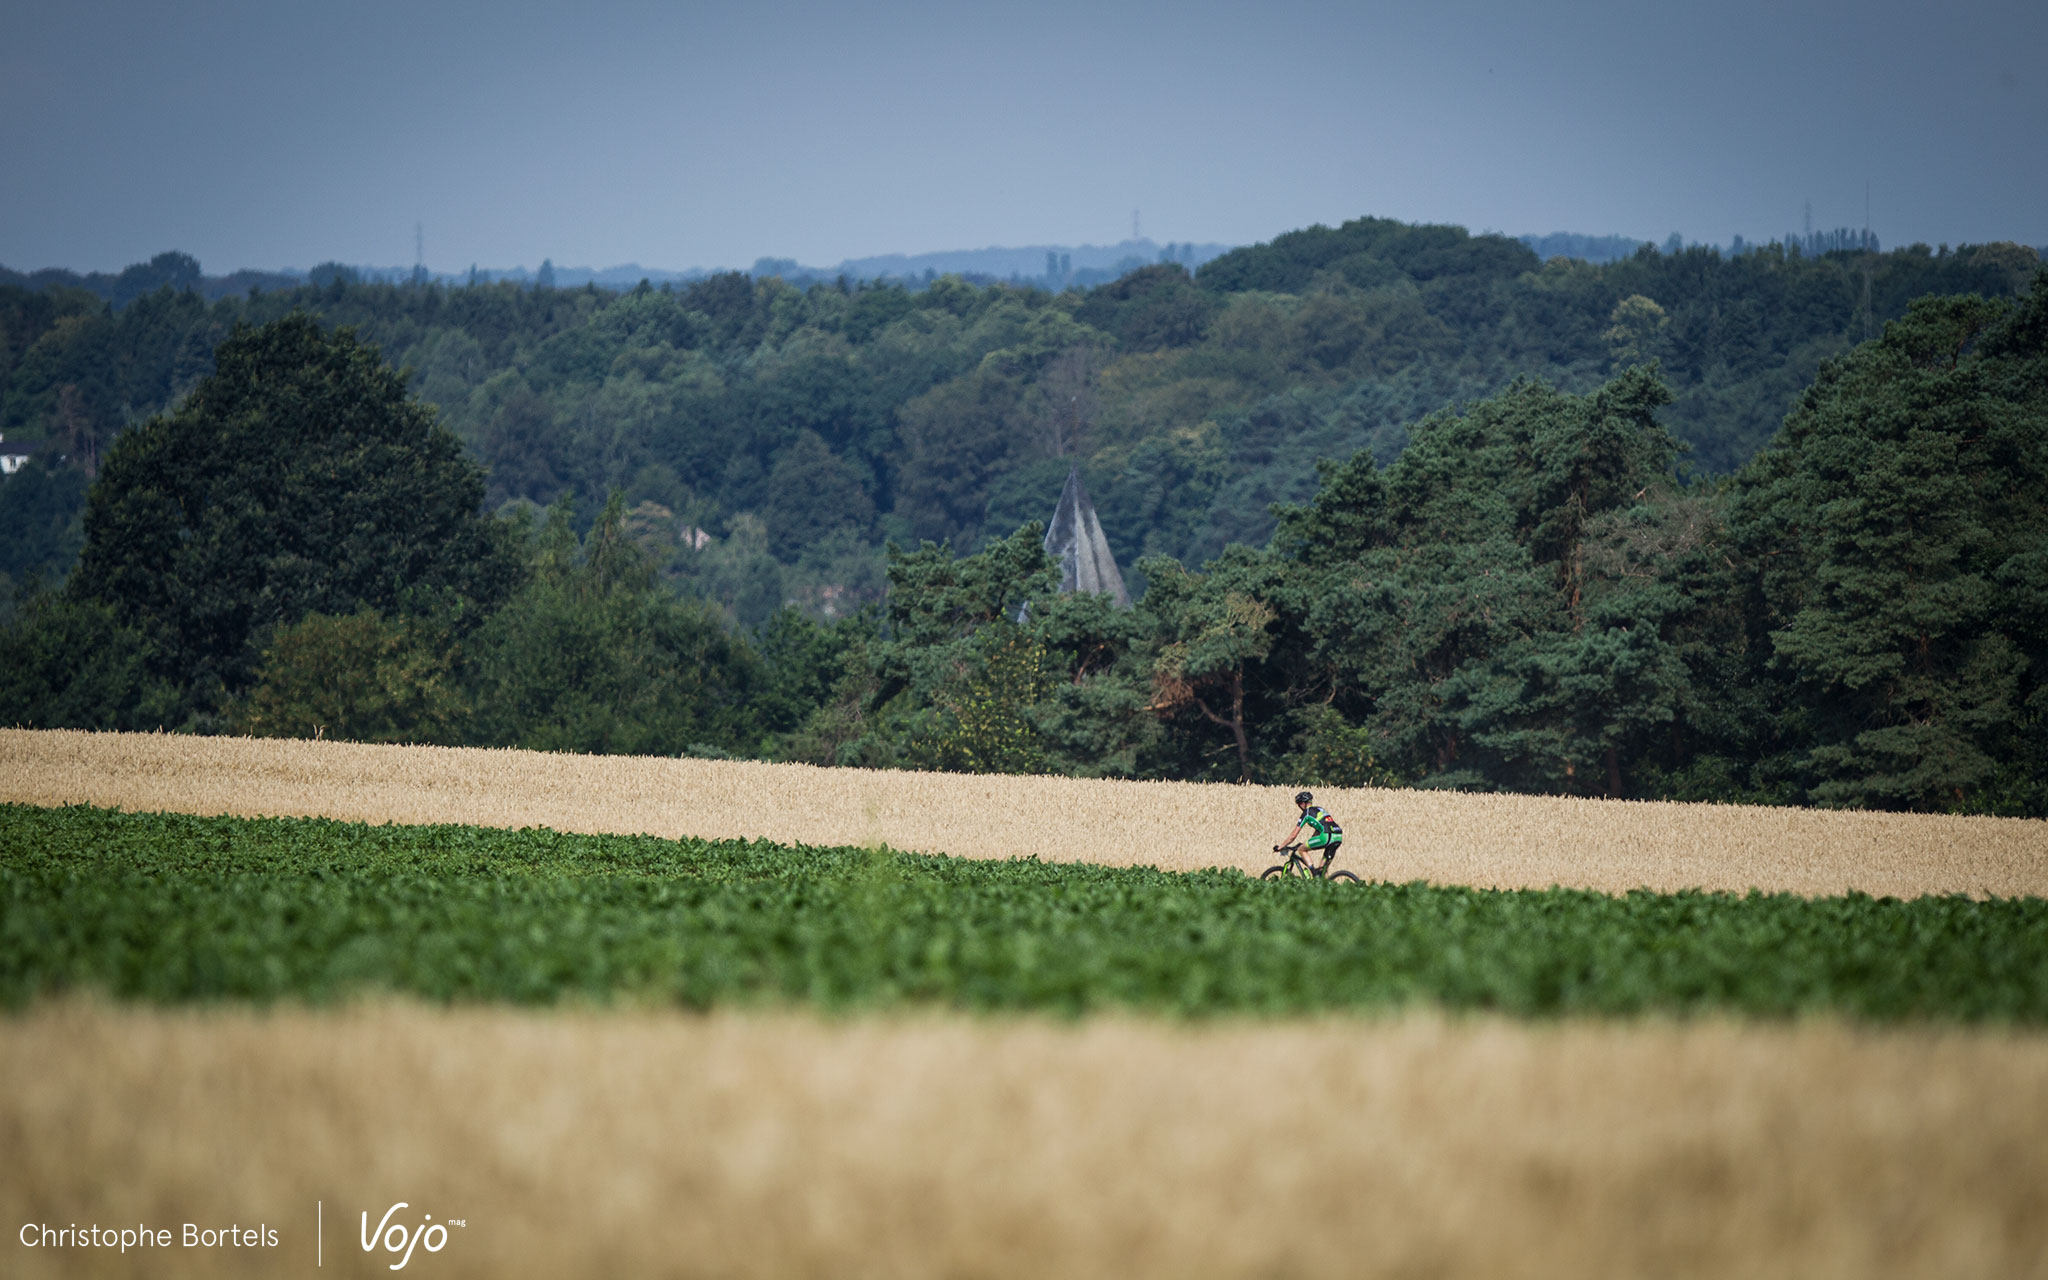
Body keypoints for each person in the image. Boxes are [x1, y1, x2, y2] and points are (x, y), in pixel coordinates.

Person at [1274, 790, 1342, 873]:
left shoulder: (1306, 813)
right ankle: (1323, 881)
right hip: (1338, 836)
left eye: (1299, 804)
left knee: (1301, 849)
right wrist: (1308, 842)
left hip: (1327, 836)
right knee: (1322, 870)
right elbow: (1319, 829)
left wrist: (1280, 847)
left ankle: (1313, 872)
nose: (1299, 807)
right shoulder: (1320, 809)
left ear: (1303, 803)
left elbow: (1293, 835)